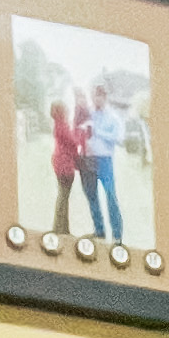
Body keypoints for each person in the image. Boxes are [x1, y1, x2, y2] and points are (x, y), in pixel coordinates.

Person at [79, 82, 127, 243]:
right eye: (93, 95)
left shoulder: (113, 117)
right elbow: (80, 132)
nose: (96, 99)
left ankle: (117, 236)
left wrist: (99, 133)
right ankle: (99, 231)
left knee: (110, 196)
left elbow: (119, 139)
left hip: (105, 160)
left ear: (104, 97)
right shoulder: (88, 114)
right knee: (91, 196)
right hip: (89, 160)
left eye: (99, 96)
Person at [48, 87, 86, 236]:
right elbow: (74, 142)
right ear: (62, 112)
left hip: (60, 164)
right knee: (63, 197)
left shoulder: (59, 126)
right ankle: (60, 228)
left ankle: (62, 227)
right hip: (65, 166)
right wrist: (81, 133)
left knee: (63, 196)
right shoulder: (62, 127)